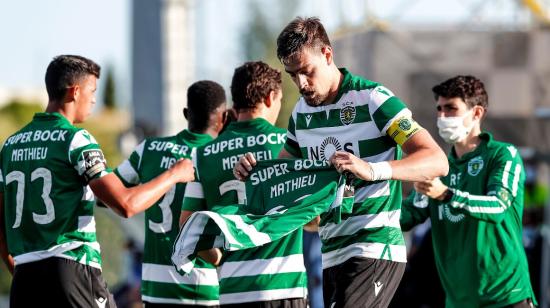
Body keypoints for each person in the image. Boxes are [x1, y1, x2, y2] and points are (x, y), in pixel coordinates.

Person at [234, 17, 448, 308]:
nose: (302, 84)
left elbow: (436, 159)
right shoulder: (301, 115)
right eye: (292, 75)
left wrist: (372, 170)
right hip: (331, 251)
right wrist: (256, 173)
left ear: (327, 54)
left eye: (307, 71)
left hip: (374, 245)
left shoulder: (373, 99)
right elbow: (285, 177)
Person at [0, 55, 195, 307]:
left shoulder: (10, 146)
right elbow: (125, 204)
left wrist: (19, 270)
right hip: (71, 268)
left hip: (25, 277)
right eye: (92, 91)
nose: (94, 100)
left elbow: (1, 226)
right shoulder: (75, 139)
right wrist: (174, 174)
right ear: (74, 91)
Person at [400, 75, 537, 307]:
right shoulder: (438, 166)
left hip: (506, 296)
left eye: (451, 109)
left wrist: (446, 194)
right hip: (458, 301)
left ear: (476, 113)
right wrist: (345, 216)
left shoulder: (502, 155)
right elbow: (406, 215)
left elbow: (498, 207)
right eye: (439, 109)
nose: (442, 117)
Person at [180, 61, 308, 307]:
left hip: (232, 288)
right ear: (271, 98)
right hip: (282, 286)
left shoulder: (203, 154)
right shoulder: (288, 144)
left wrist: (216, 257)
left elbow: (186, 225)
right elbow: (312, 217)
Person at [115, 80, 228, 307]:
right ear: (224, 118)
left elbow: (108, 193)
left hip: (154, 286)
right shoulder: (220, 157)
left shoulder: (148, 149)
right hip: (201, 287)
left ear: (186, 114)